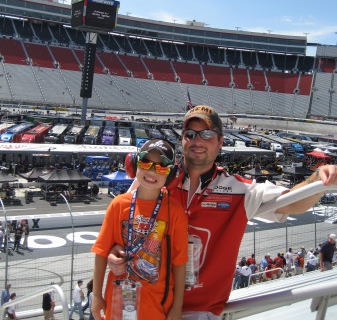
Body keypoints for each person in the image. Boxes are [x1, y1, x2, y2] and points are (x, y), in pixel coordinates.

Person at [108, 105, 337, 319]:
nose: (197, 141)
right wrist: (115, 252)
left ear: (220, 142)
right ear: (182, 141)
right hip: (147, 305)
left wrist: (319, 177)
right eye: (190, 134)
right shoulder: (155, 176)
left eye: (206, 135)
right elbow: (122, 227)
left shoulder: (239, 189)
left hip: (200, 312)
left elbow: (293, 203)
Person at [92, 139, 188, 320]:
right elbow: (101, 252)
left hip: (157, 309)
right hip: (117, 305)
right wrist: (97, 296)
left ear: (171, 173)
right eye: (146, 163)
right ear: (134, 164)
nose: (152, 171)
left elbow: (180, 262)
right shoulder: (118, 205)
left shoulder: (175, 212)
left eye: (161, 167)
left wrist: (177, 307)